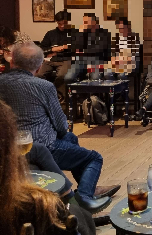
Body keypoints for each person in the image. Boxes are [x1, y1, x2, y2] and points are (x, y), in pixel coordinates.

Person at [0, 42, 119, 213]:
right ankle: (83, 199)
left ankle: (89, 189)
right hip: (41, 147)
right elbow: (61, 126)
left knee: (72, 138)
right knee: (94, 158)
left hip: (7, 146)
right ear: (39, 67)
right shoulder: (44, 86)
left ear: (12, 62)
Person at [0, 100, 98, 235]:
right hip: (47, 146)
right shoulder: (38, 206)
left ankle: (76, 198)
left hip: (36, 149)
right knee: (92, 157)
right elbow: (62, 125)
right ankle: (75, 198)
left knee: (69, 139)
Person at [36, 10, 76, 99]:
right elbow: (41, 49)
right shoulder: (50, 34)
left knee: (62, 75)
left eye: (64, 23)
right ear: (57, 22)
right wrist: (52, 49)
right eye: (59, 24)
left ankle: (58, 96)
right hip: (51, 59)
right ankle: (43, 96)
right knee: (38, 75)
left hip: (65, 59)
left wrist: (65, 48)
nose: (62, 26)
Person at [64, 13, 111, 84]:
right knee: (68, 78)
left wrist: (83, 51)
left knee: (95, 79)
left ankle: (93, 91)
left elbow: (99, 49)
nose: (84, 24)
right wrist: (81, 33)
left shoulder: (104, 33)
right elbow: (76, 47)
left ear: (94, 22)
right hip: (81, 60)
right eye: (83, 22)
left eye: (86, 22)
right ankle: (79, 90)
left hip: (97, 60)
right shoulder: (81, 32)